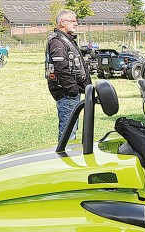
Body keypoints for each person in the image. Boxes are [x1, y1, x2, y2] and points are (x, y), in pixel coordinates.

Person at [45, 9, 91, 141]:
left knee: (71, 129)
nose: (76, 24)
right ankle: (65, 159)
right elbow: (61, 68)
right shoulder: (57, 41)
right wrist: (72, 90)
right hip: (66, 93)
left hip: (70, 92)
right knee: (68, 132)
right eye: (73, 21)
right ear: (62, 22)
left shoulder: (65, 39)